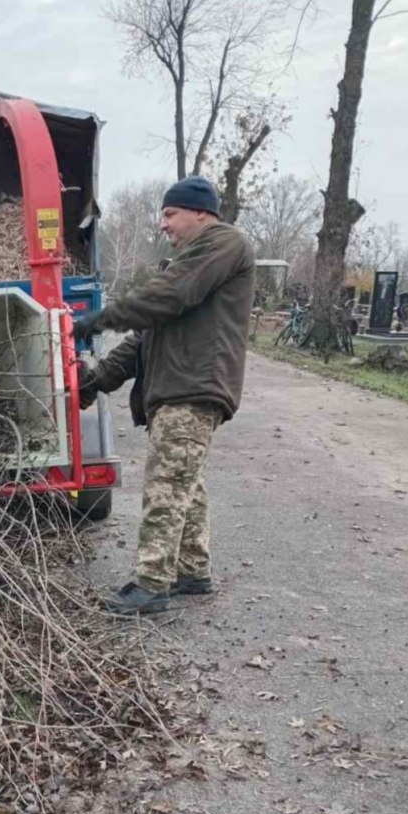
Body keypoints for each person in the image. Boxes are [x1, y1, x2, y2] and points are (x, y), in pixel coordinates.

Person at [74, 176, 254, 616]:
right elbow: (141, 343)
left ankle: (152, 584)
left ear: (200, 213)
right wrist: (93, 381)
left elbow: (170, 295)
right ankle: (193, 571)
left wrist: (100, 318)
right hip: (178, 388)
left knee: (166, 486)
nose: (164, 225)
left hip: (192, 387)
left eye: (170, 214)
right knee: (186, 486)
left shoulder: (224, 243)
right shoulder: (192, 262)